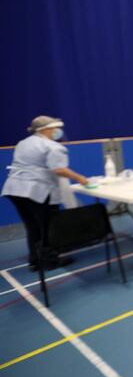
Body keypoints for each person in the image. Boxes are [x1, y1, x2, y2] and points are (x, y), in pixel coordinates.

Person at [2, 116, 88, 271]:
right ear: (47, 129)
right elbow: (59, 169)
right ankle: (49, 261)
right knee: (48, 226)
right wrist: (80, 178)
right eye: (56, 128)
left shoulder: (23, 143)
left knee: (32, 226)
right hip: (36, 191)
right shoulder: (53, 146)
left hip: (14, 189)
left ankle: (35, 260)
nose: (58, 132)